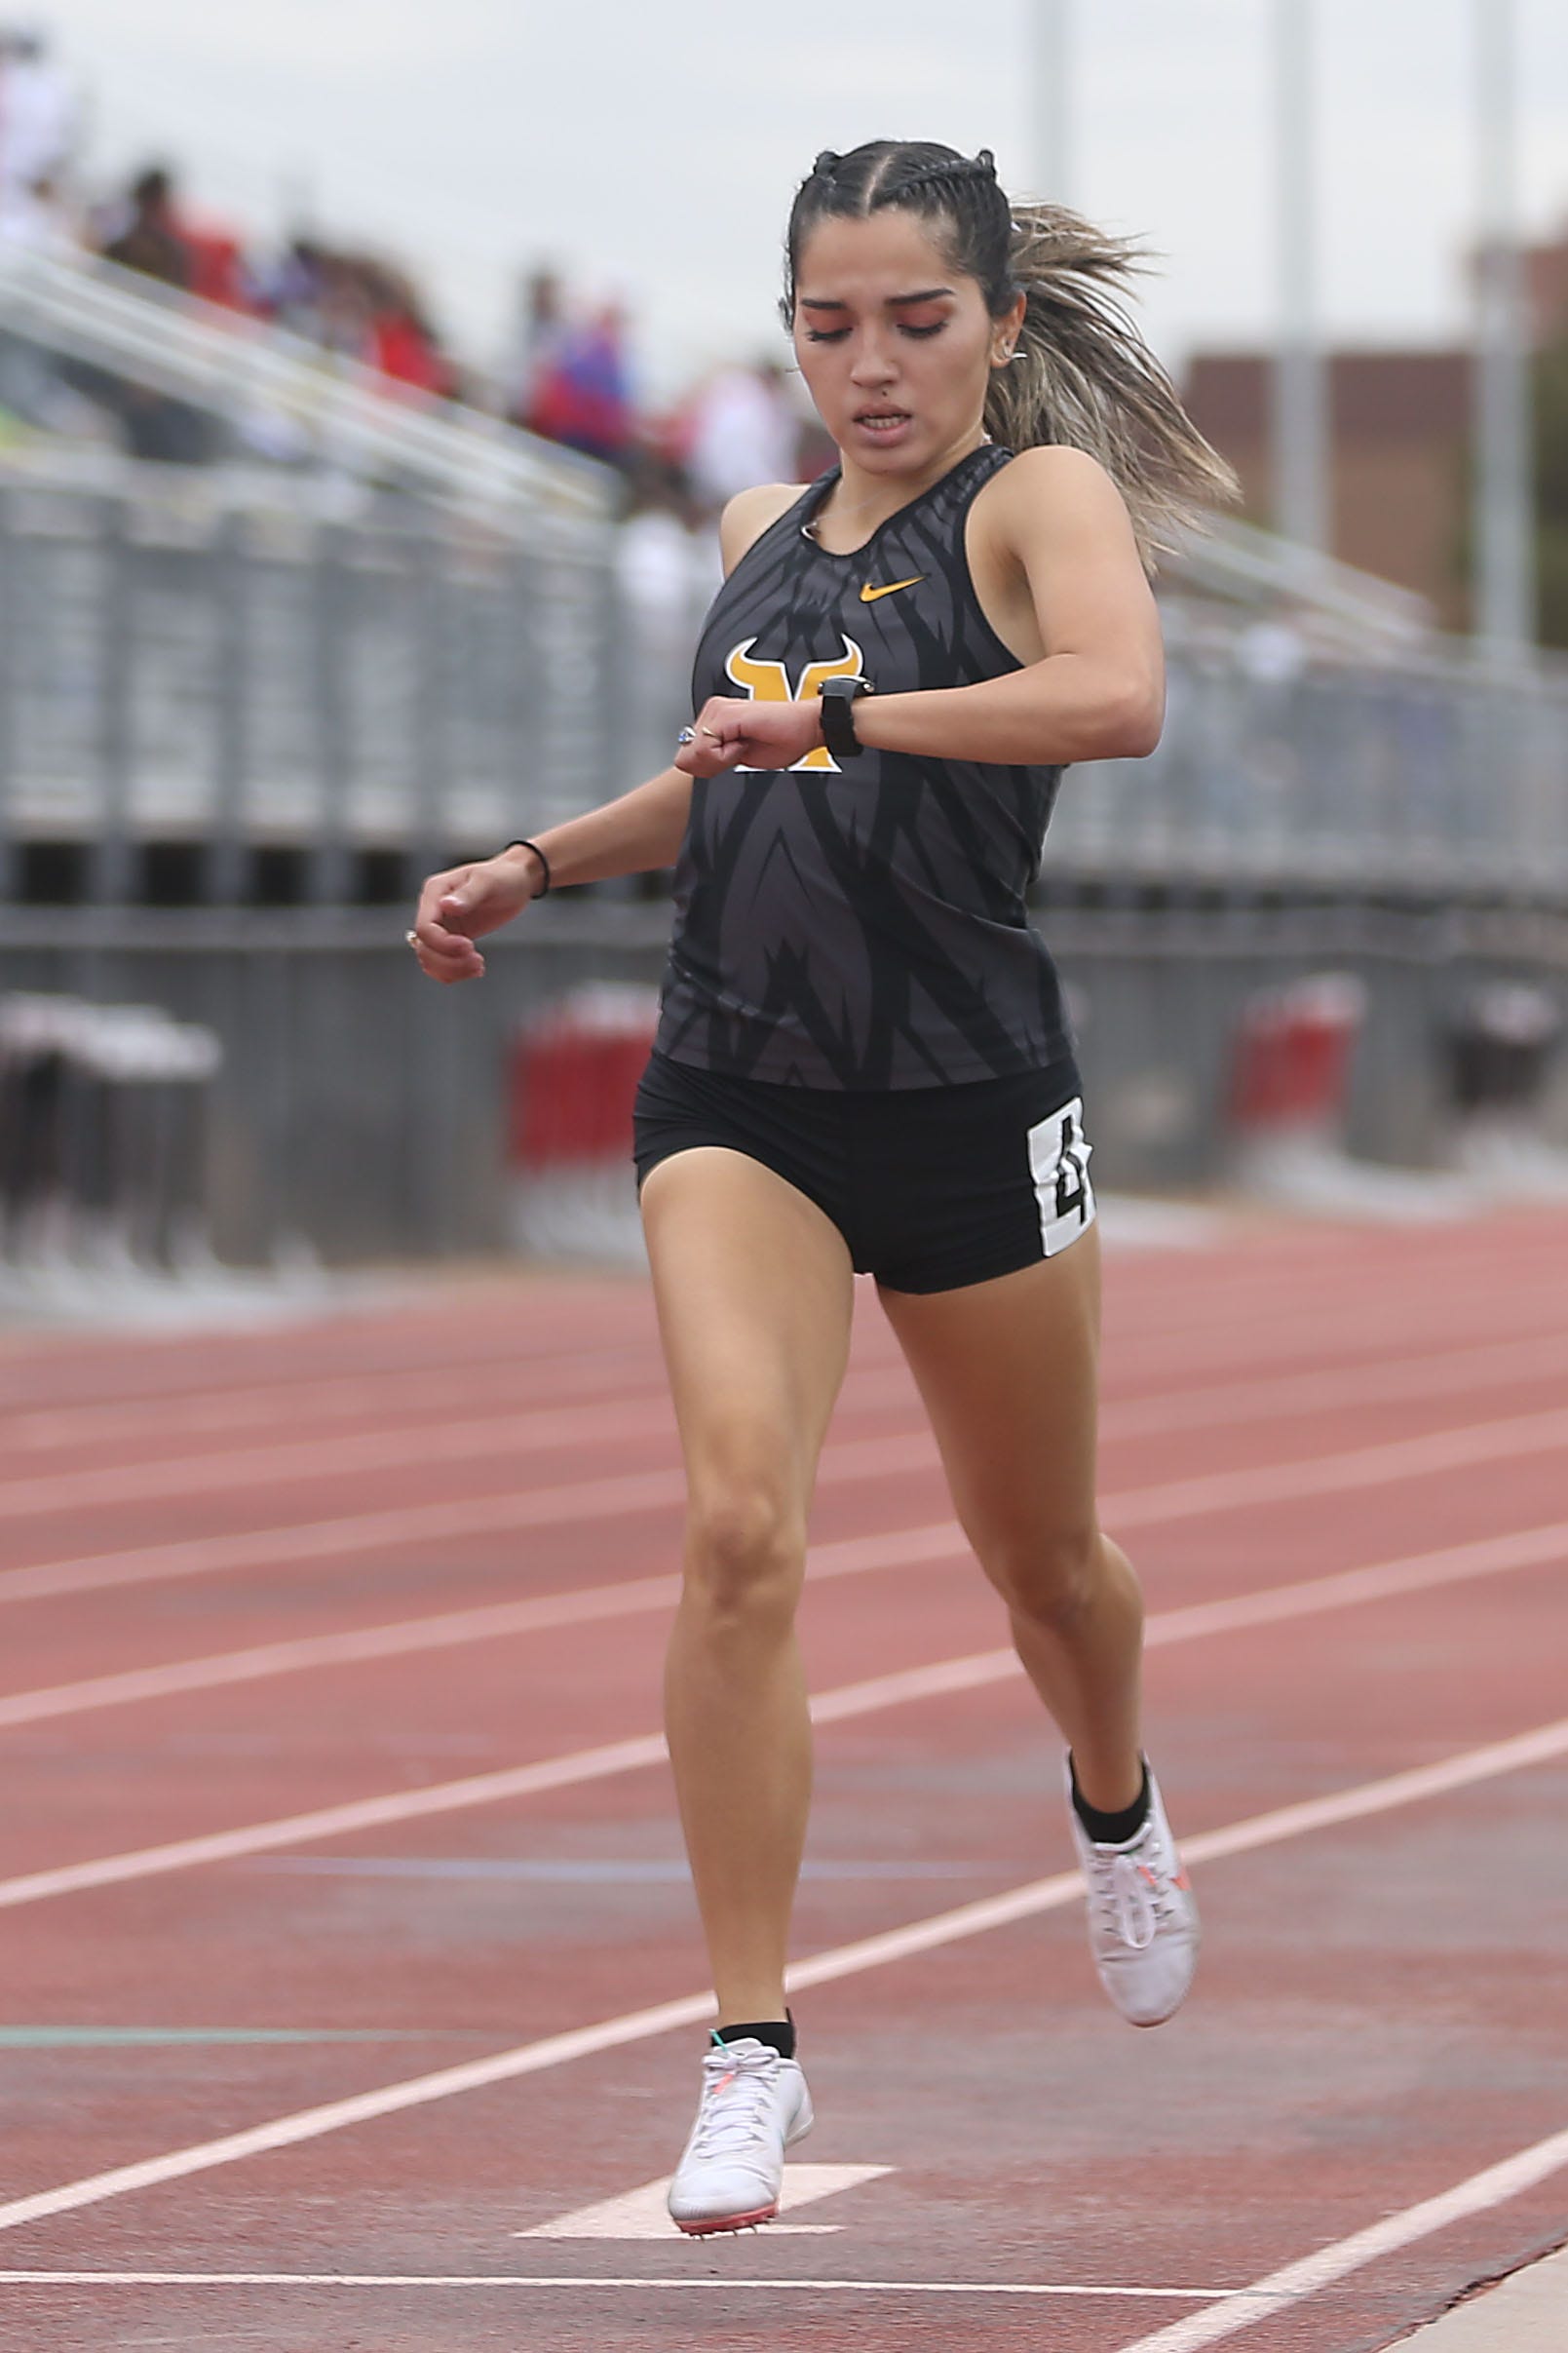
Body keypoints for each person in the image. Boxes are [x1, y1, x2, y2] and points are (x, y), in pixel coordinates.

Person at [409, 137, 1237, 2238]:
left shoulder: (1032, 503)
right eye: (827, 326)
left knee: (1043, 1564)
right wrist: (536, 856)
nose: (869, 368)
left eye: (914, 323)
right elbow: (725, 775)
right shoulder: (752, 522)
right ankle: (747, 2047)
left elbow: (1114, 698)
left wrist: (850, 717)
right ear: (787, 332)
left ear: (1000, 326)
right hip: (740, 1093)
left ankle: (1116, 1800)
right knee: (736, 1523)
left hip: (969, 1100)